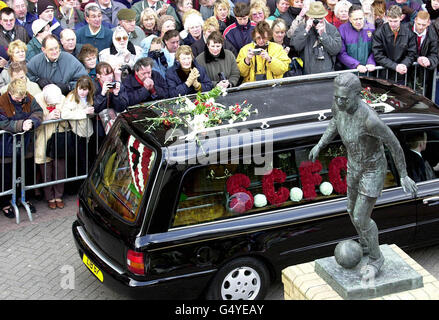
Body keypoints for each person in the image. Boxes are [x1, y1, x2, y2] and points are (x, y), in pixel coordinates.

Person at [309, 73, 417, 277]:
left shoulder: (370, 120)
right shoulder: (338, 105)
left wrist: (403, 174)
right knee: (351, 210)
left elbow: (393, 144)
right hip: (354, 166)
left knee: (361, 216)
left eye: (344, 98)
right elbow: (335, 122)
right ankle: (366, 244)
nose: (340, 102)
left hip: (372, 169)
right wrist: (320, 144)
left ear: (357, 95)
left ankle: (377, 258)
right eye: (337, 97)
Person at [0, 78, 43, 218]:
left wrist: (32, 121)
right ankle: (5, 204)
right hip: (5, 146)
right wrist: (20, 125)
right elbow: (3, 123)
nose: (20, 100)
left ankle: (25, 198)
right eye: (17, 98)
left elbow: (38, 112)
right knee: (5, 176)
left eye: (22, 97)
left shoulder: (29, 98)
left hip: (26, 145)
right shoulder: (2, 101)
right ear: (10, 93)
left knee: (26, 173)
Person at [33, 84, 66, 210]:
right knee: (46, 170)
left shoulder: (61, 98)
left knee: (60, 168)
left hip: (58, 137)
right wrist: (47, 118)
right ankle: (50, 197)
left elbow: (68, 117)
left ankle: (59, 196)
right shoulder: (36, 100)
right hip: (42, 138)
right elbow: (34, 124)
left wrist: (61, 116)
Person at [291, 1, 342, 75]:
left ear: (323, 17)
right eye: (314, 18)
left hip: (328, 73)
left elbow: (336, 50)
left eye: (319, 18)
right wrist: (306, 30)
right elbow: (296, 46)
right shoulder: (302, 29)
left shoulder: (331, 29)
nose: (316, 21)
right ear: (308, 17)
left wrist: (323, 35)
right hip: (307, 74)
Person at [61, 75, 95, 179]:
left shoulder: (89, 97)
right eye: (80, 88)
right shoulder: (71, 97)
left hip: (87, 131)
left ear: (89, 90)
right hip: (76, 132)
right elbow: (64, 114)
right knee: (78, 161)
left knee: (86, 159)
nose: (82, 92)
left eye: (85, 89)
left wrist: (90, 113)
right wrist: (84, 112)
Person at [372, 5, 417, 82]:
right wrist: (395, 66)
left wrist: (403, 65)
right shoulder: (379, 32)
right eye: (390, 21)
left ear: (401, 18)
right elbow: (378, 55)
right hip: (383, 74)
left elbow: (412, 53)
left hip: (402, 75)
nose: (393, 24)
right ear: (386, 18)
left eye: (395, 21)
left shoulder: (409, 32)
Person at [93, 62, 129, 141]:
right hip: (99, 124)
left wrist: (116, 95)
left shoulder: (117, 84)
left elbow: (122, 107)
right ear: (98, 76)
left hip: (116, 120)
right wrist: (102, 94)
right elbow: (95, 108)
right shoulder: (94, 86)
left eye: (111, 73)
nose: (110, 77)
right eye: (106, 75)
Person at [337, 5, 376, 72]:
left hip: (369, 72)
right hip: (349, 73)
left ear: (364, 17)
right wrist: (356, 65)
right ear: (349, 19)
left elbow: (376, 49)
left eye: (360, 19)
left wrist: (371, 62)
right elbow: (341, 53)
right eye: (355, 19)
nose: (358, 22)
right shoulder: (342, 30)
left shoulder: (371, 27)